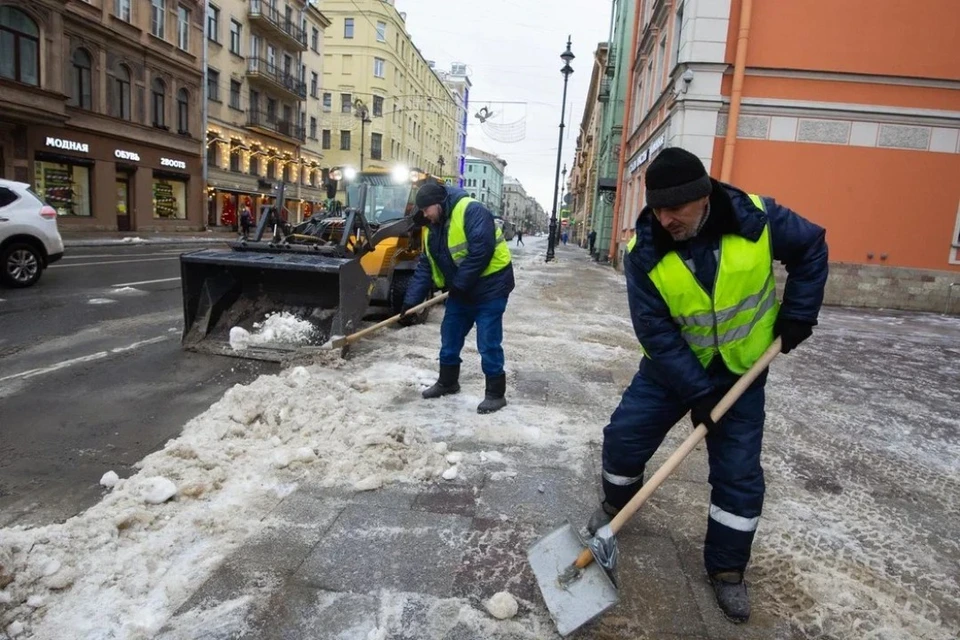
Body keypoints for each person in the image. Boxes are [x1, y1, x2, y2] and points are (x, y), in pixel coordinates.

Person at [587, 147, 828, 623]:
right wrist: (698, 392)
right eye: (657, 208)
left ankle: (727, 570)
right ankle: (618, 503)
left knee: (738, 474)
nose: (665, 218)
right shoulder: (645, 251)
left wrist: (799, 313)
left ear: (703, 197)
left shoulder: (758, 219)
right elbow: (654, 329)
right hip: (672, 368)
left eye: (676, 207)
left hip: (742, 369)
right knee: (624, 437)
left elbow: (811, 246)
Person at [399, 182, 515, 414]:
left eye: (426, 210)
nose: (425, 216)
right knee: (449, 334)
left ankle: (495, 393)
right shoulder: (432, 226)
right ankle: (448, 382)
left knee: (488, 341)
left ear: (438, 204)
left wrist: (460, 284)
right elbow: (426, 265)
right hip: (462, 290)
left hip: (490, 287)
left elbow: (482, 250)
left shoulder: (471, 210)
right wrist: (410, 301)